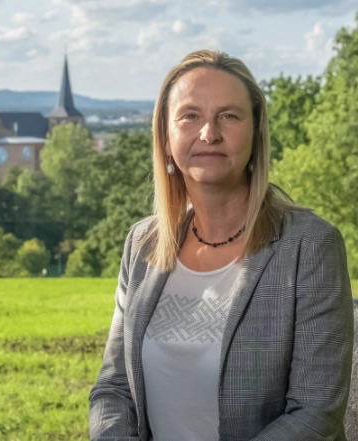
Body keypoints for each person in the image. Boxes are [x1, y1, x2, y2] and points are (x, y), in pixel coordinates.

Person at [88, 49, 354, 441]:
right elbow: (114, 389)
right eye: (190, 115)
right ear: (165, 137)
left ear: (256, 132)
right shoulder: (142, 244)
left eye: (229, 116)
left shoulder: (310, 247)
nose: (208, 133)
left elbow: (315, 414)